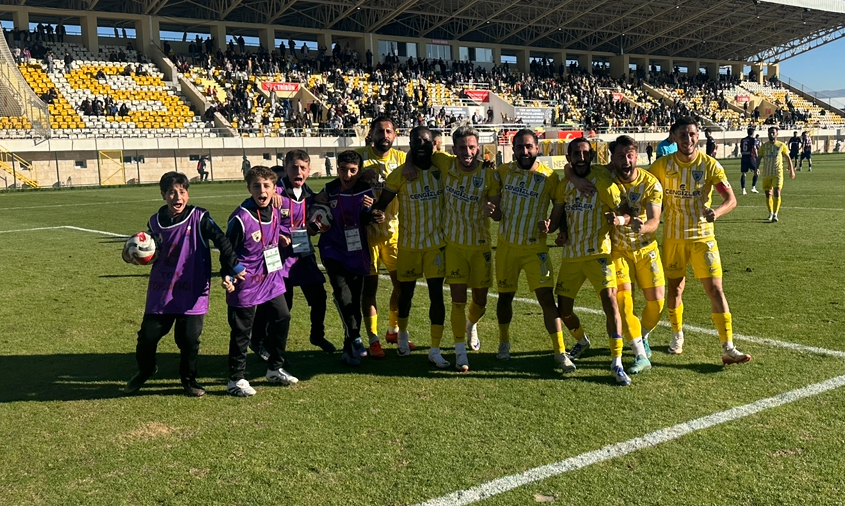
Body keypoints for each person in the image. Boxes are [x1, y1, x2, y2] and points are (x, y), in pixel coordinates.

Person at [124, 172, 244, 397]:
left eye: (182, 192)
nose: (177, 197)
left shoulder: (200, 217)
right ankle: (146, 369)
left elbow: (222, 240)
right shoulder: (154, 222)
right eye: (172, 192)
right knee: (147, 336)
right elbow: (148, 248)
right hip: (162, 290)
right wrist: (130, 254)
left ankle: (189, 380)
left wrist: (233, 266)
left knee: (188, 340)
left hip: (192, 291)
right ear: (163, 195)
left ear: (188, 194)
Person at [648, 116, 751, 365]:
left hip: (703, 237)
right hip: (673, 238)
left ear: (698, 136)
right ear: (674, 137)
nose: (688, 139)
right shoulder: (661, 166)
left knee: (715, 289)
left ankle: (728, 346)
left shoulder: (710, 165)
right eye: (683, 134)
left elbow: (731, 199)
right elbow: (641, 186)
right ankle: (677, 335)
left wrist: (717, 212)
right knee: (675, 289)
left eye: (692, 134)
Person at [402, 126, 501, 371]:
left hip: (480, 246)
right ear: (454, 149)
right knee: (457, 300)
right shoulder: (445, 163)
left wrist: (493, 210)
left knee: (480, 300)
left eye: (471, 147)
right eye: (462, 147)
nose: (467, 152)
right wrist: (408, 164)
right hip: (454, 246)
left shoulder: (489, 174)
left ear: (478, 148)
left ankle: (471, 325)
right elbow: (418, 150)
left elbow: (498, 213)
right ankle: (460, 352)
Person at [550, 138, 629, 385]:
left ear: (592, 156)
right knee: (563, 311)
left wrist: (620, 219)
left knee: (611, 303)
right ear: (569, 158)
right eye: (576, 154)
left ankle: (617, 362)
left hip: (599, 254)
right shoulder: (564, 185)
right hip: (572, 256)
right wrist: (558, 230)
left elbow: (626, 209)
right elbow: (558, 216)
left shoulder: (604, 183)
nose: (581, 158)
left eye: (585, 153)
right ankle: (582, 341)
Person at [494, 129, 570, 373]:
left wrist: (554, 225)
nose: (524, 151)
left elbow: (559, 209)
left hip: (535, 248)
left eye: (529, 147)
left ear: (538, 148)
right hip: (506, 247)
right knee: (505, 297)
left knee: (546, 298)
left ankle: (560, 351)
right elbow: (492, 200)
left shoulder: (549, 177)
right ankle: (504, 342)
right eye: (520, 147)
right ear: (513, 149)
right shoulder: (503, 172)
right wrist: (493, 211)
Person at [372, 126, 450, 365]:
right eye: (416, 141)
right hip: (408, 245)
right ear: (411, 144)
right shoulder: (399, 175)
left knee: (437, 296)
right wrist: (376, 213)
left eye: (425, 141)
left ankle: (435, 348)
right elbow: (382, 204)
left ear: (433, 144)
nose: (421, 145)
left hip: (436, 245)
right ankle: (402, 336)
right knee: (406, 294)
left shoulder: (442, 167)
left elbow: (466, 164)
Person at [223, 166, 297, 397]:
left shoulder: (275, 208)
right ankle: (235, 379)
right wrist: (228, 275)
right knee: (241, 331)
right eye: (256, 186)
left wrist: (281, 237)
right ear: (249, 188)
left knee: (282, 316)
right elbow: (227, 250)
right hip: (245, 281)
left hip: (271, 278)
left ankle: (275, 368)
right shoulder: (241, 217)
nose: (262, 191)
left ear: (274, 188)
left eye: (267, 186)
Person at [317, 151, 383, 366]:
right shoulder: (329, 189)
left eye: (353, 171)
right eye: (343, 170)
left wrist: (373, 213)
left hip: (356, 250)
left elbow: (366, 217)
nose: (347, 175)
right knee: (341, 292)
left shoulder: (365, 190)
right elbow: (312, 204)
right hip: (332, 248)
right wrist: (315, 206)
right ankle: (355, 336)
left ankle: (349, 347)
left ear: (359, 171)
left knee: (355, 299)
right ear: (337, 169)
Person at [356, 118, 409, 357]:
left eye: (388, 131)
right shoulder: (360, 158)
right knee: (370, 288)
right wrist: (359, 176)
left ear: (394, 135)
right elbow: (344, 184)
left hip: (394, 233)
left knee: (402, 286)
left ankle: (393, 330)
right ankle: (373, 338)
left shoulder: (403, 159)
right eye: (380, 131)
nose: (384, 135)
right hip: (367, 235)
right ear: (371, 134)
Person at [272, 153, 335, 353]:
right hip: (280, 258)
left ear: (308, 171)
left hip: (303, 255)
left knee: (319, 297)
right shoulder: (274, 193)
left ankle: (317, 335)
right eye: (293, 167)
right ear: (286, 168)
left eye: (302, 168)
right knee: (284, 306)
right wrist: (278, 236)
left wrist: (315, 226)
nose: (298, 172)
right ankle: (274, 346)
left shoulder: (309, 195)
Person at [757, 126, 795, 223]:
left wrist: (791, 170)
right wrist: (756, 168)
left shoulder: (781, 145)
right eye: (769, 133)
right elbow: (759, 158)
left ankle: (775, 214)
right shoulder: (764, 146)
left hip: (777, 173)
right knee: (768, 194)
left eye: (773, 132)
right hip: (766, 173)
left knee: (777, 192)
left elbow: (787, 158)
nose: (771, 134)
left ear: (777, 134)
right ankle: (770, 212)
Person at [739, 126, 759, 194]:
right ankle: (753, 187)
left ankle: (743, 190)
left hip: (744, 157)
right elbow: (754, 148)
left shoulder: (743, 140)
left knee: (743, 173)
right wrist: (756, 156)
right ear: (753, 133)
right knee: (757, 172)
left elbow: (741, 148)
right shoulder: (753, 139)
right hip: (751, 158)